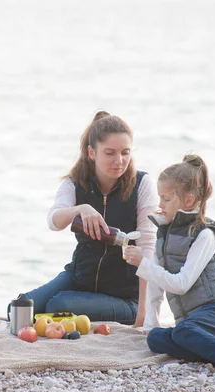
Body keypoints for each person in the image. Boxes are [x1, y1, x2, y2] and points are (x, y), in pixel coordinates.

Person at [123, 154, 215, 380]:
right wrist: (150, 324)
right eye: (159, 198)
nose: (159, 205)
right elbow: (156, 283)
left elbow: (181, 284)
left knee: (182, 332)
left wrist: (142, 263)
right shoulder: (165, 234)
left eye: (166, 199)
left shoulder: (205, 234)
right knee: (155, 339)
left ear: (188, 200)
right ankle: (208, 350)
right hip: (192, 322)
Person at [13, 111, 158, 326]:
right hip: (79, 279)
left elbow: (148, 247)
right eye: (110, 153)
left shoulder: (142, 184)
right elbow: (54, 221)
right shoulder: (75, 183)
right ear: (92, 152)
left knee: (58, 305)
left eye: (125, 152)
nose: (119, 161)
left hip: (125, 298)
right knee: (19, 308)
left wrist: (144, 314)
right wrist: (81, 208)